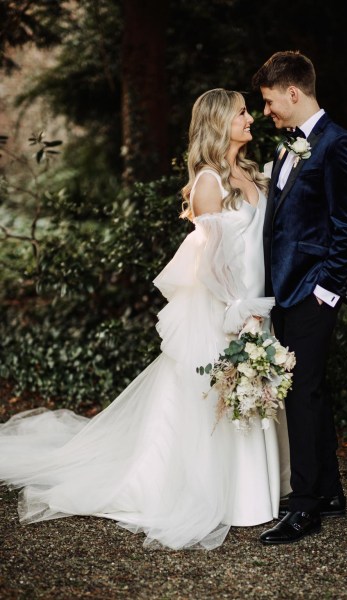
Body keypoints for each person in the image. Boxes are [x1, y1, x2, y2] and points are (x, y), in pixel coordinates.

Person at [0, 88, 290, 551]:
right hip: (227, 309)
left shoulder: (253, 173)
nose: (249, 117)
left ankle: (254, 492)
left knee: (248, 389)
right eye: (240, 112)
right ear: (219, 122)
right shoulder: (209, 183)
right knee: (216, 393)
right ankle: (218, 494)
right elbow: (210, 262)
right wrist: (240, 314)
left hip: (255, 303)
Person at [251, 51, 347, 544]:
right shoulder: (288, 147)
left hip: (311, 293)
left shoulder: (337, 145)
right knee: (311, 392)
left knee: (301, 396)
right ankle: (330, 491)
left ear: (293, 93)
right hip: (285, 292)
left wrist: (325, 291)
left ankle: (304, 509)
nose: (266, 111)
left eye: (270, 100)